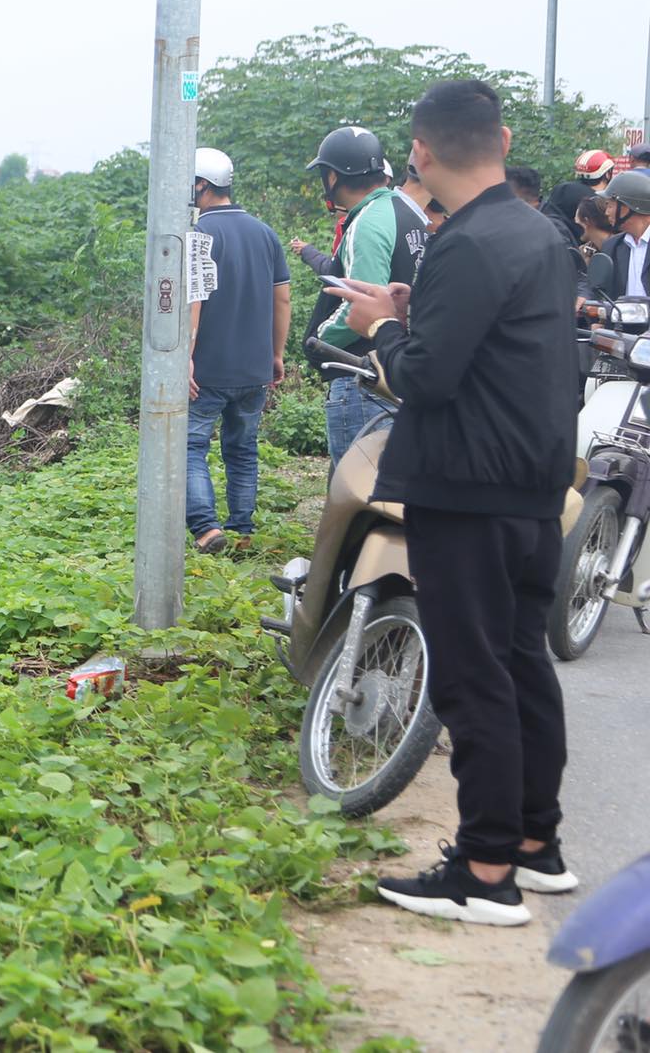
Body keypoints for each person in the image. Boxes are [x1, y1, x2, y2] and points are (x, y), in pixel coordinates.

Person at [340, 79, 578, 926]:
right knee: (518, 663)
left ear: (421, 152)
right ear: (504, 139)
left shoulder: (467, 243)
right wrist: (413, 309)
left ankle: (483, 870)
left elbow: (427, 378)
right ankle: (531, 846)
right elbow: (497, 341)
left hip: (466, 486)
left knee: (473, 674)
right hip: (532, 485)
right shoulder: (537, 231)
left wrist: (380, 328)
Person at [185, 148, 290, 554]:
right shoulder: (265, 233)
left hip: (208, 369)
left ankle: (206, 528)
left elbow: (195, 300)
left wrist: (186, 357)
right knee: (242, 449)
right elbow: (282, 300)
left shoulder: (198, 236)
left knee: (192, 446)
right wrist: (275, 354)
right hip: (254, 368)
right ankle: (242, 531)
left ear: (202, 186)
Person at [304, 126, 424, 462]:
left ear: (332, 177)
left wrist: (317, 341)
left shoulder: (368, 222)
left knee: (359, 491)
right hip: (397, 368)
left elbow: (363, 304)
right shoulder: (405, 210)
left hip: (362, 378)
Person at [597, 169, 650, 299]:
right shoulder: (611, 246)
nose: (606, 213)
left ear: (626, 207)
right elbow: (600, 289)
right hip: (621, 319)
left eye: (610, 206)